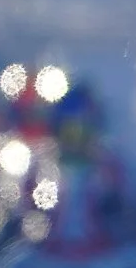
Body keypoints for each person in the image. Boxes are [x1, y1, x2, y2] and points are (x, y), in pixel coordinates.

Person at [36, 82, 129, 258]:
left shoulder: (110, 169)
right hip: (51, 258)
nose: (76, 138)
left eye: (84, 130)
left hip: (101, 258)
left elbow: (124, 215)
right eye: (69, 130)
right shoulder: (42, 168)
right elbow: (28, 218)